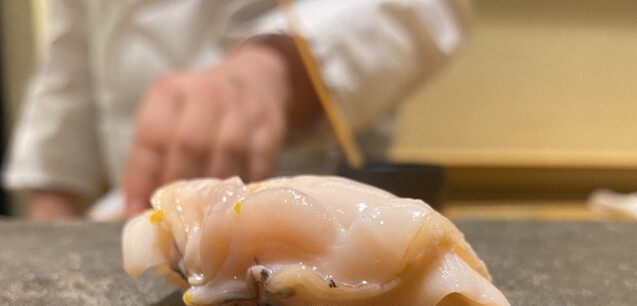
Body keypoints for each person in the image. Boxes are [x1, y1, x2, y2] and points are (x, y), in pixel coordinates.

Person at [3, 0, 471, 220]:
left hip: (327, 204)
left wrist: (277, 68)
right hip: (128, 215)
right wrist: (52, 206)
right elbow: (68, 65)